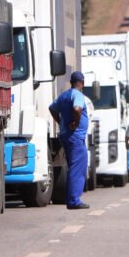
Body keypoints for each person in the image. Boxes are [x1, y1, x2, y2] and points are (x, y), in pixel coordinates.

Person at [49, 71, 90, 210]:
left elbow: (52, 108)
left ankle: (72, 199)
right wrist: (75, 123)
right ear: (82, 83)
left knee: (73, 166)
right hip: (76, 136)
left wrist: (60, 121)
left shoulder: (64, 95)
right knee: (78, 168)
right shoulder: (77, 94)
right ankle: (73, 200)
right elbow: (77, 109)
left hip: (65, 135)